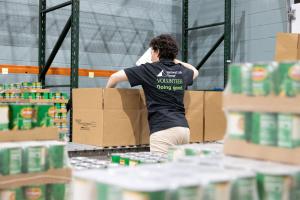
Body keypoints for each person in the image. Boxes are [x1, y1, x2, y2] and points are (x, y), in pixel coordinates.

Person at [106, 34, 199, 154]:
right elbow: (195, 71)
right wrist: (173, 59)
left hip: (163, 131)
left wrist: (107, 95)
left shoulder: (148, 69)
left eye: (152, 52)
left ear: (157, 51)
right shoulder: (181, 70)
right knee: (176, 170)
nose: (150, 56)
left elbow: (114, 77)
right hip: (183, 129)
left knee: (159, 170)